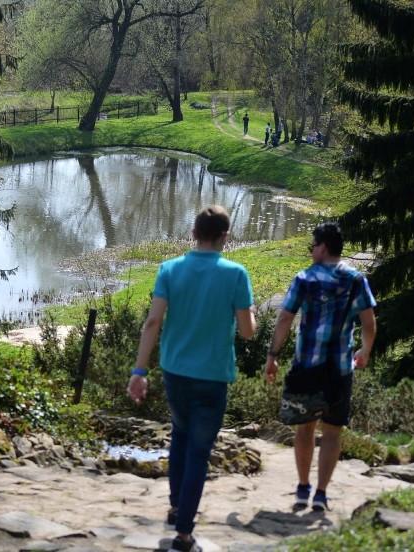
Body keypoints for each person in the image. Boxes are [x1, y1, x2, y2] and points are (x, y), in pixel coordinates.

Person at [127, 205, 256, 552]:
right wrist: (249, 315)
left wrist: (139, 370)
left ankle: (174, 505)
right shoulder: (236, 274)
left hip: (175, 371)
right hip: (213, 376)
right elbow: (247, 332)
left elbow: (152, 323)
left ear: (194, 234)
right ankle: (184, 533)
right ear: (225, 236)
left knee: (181, 435)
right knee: (199, 450)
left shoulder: (169, 270)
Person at [264, 222, 376, 512]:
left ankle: (303, 488)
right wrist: (364, 350)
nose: (311, 250)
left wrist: (272, 355)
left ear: (322, 247)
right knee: (332, 432)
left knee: (304, 429)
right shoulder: (356, 280)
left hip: (306, 368)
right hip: (339, 370)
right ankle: (322, 494)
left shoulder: (304, 278)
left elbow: (285, 319)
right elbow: (369, 323)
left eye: (312, 245)